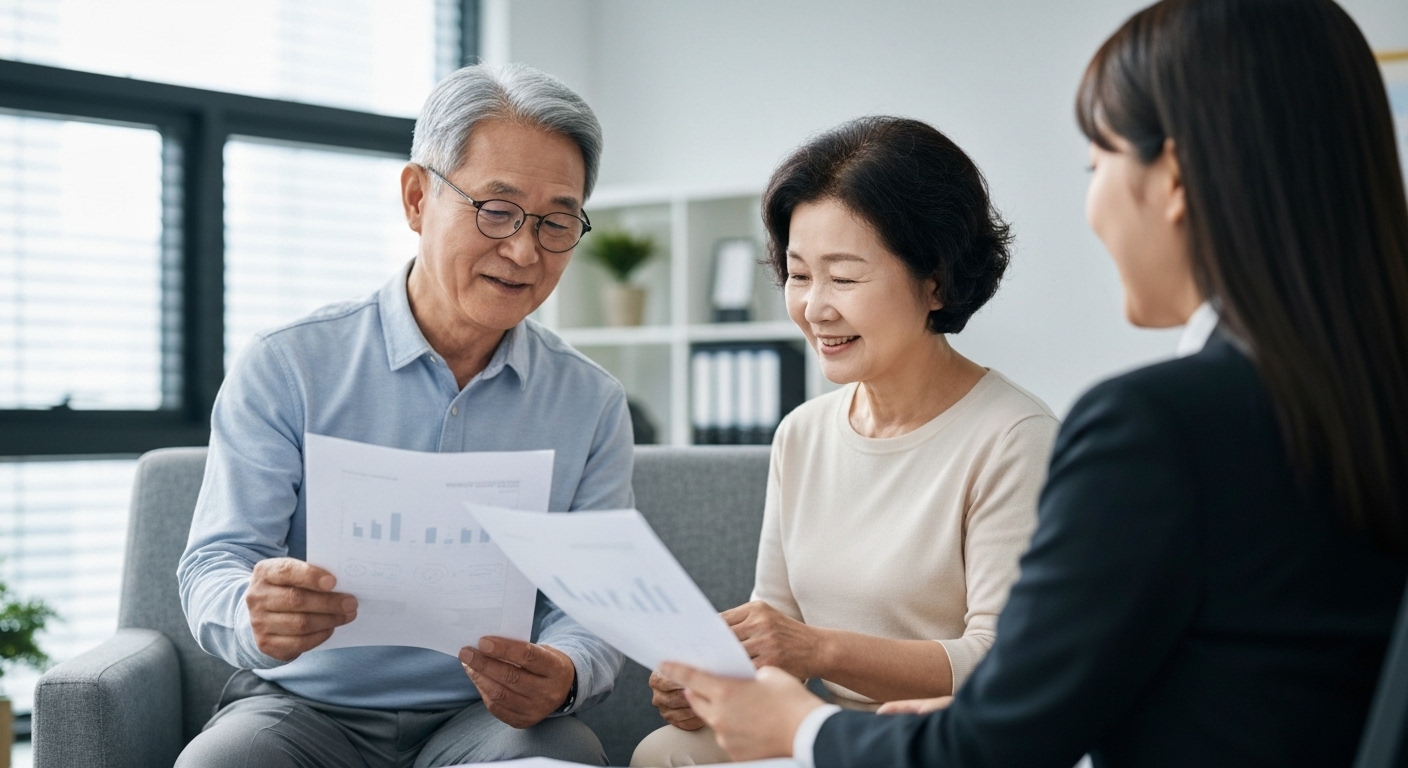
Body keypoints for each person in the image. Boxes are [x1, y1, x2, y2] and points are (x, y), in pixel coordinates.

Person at [657, 0, 1408, 765]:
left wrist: (800, 730)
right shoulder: (1365, 403)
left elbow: (1000, 743)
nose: (1092, 207)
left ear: (1172, 178)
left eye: (1097, 165)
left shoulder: (1155, 429)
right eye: (797, 272)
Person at [176, 63, 630, 767]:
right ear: (418, 198)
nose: (522, 250)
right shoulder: (288, 364)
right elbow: (216, 560)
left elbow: (593, 605)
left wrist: (566, 671)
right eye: (497, 209)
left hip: (484, 721)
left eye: (557, 222)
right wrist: (251, 609)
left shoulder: (590, 403)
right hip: (300, 710)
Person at [631, 116, 1060, 767]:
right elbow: (775, 624)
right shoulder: (802, 434)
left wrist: (816, 649)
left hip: (943, 743)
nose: (815, 307)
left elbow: (1001, 663)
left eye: (845, 277)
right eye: (799, 275)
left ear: (935, 280)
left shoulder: (1014, 437)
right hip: (823, 730)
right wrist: (716, 676)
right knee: (666, 750)